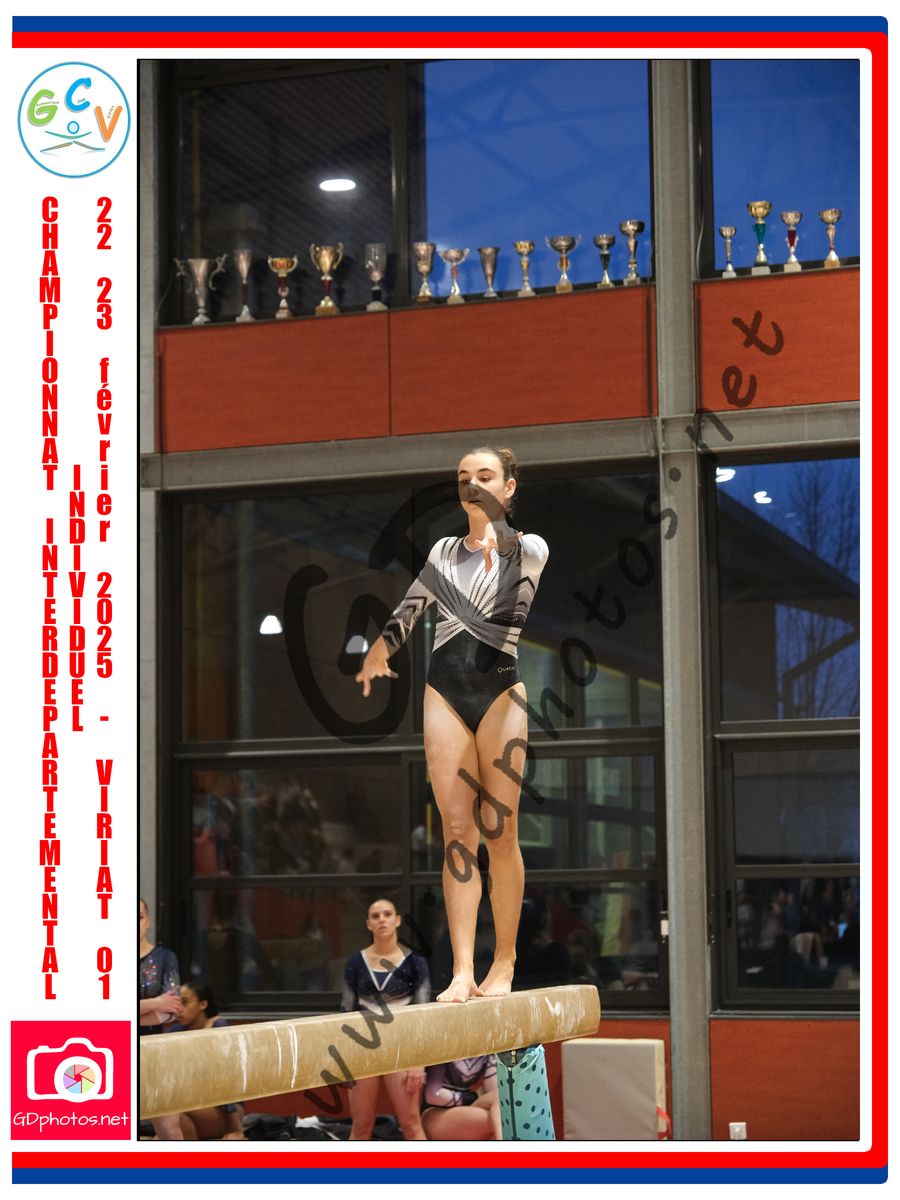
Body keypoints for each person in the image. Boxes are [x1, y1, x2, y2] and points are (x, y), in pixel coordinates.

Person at [356, 446, 549, 1002]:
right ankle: (463, 969)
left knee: (500, 831)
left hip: (501, 693)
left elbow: (504, 600)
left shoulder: (530, 548)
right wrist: (379, 652)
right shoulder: (443, 551)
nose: (472, 485)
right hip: (445, 691)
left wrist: (492, 537)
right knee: (458, 832)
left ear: (509, 487)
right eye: (464, 477)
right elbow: (411, 609)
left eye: (485, 476)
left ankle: (504, 961)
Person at [340, 898, 430, 1140]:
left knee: (411, 1124)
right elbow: (346, 1014)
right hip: (364, 1048)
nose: (382, 920)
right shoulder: (355, 963)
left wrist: (418, 1062)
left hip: (403, 1049)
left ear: (397, 920)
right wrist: (347, 1060)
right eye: (375, 916)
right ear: (368, 924)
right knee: (361, 1126)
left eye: (387, 914)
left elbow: (423, 1016)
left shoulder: (415, 963)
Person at [164, 982, 245, 1140]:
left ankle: (235, 1127)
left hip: (225, 1108)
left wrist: (235, 1128)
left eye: (185, 1002)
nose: (179, 1009)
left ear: (203, 1004)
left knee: (175, 1115)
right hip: (189, 1103)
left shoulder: (218, 1027)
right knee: (168, 1113)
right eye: (177, 1003)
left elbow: (225, 1077)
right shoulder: (175, 1031)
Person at [139, 897, 184, 1140]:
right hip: (107, 1048)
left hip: (154, 1050)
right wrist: (154, 1003)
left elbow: (169, 1011)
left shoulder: (165, 958)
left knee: (169, 1126)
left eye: (138, 917)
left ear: (148, 921)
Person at [421, 1056, 500, 1140]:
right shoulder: (442, 1050)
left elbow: (494, 1091)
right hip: (434, 1114)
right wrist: (468, 1097)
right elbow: (432, 1096)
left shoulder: (485, 1052)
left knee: (498, 1100)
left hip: (465, 1108)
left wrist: (495, 1057)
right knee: (494, 1119)